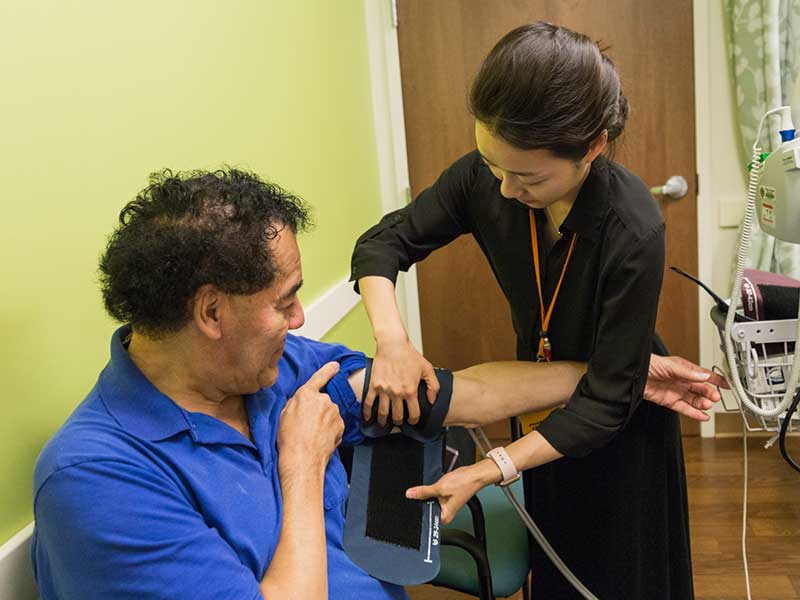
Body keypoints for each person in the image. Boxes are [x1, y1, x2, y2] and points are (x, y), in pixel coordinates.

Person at [31, 168, 721, 600]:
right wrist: (302, 471)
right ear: (211, 312)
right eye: (285, 302)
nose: (302, 319)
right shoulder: (98, 478)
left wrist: (616, 376)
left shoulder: (285, 373)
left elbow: (464, 394)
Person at [351, 22, 725, 599]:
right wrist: (393, 342)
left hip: (620, 416)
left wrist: (493, 466)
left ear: (593, 147)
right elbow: (383, 245)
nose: (502, 189)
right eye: (493, 165)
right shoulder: (485, 177)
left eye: (526, 176)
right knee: (552, 561)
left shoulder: (632, 227)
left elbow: (604, 401)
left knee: (617, 572)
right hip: (537, 394)